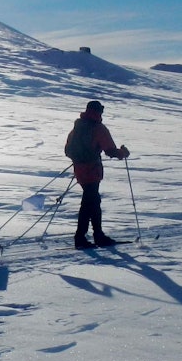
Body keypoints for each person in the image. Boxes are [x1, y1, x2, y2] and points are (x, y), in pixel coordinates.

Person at [64, 99, 130, 249]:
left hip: (80, 170)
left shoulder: (77, 128)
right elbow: (110, 150)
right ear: (99, 112)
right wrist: (123, 153)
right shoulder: (98, 128)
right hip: (92, 170)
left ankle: (93, 235)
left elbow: (68, 150)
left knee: (92, 202)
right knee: (90, 203)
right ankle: (85, 237)